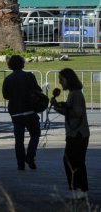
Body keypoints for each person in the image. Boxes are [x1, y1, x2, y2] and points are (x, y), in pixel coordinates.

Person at [51, 68, 89, 200]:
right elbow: (72, 111)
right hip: (77, 133)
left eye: (62, 80)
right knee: (74, 161)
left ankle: (79, 189)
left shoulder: (76, 94)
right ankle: (79, 189)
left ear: (69, 79)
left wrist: (64, 107)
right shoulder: (74, 93)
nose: (60, 83)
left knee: (73, 162)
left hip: (78, 134)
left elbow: (76, 113)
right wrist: (58, 106)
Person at [2, 55, 42, 171]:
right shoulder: (29, 76)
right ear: (22, 64)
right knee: (35, 134)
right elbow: (37, 90)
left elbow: (6, 95)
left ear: (10, 66)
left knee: (19, 140)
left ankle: (20, 164)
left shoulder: (8, 79)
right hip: (29, 110)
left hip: (16, 112)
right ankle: (30, 156)